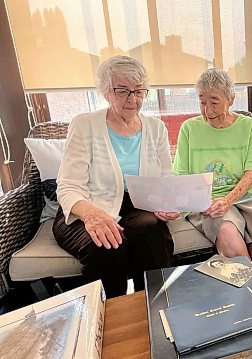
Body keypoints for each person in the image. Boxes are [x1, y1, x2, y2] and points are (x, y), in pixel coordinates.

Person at [53, 55, 179, 298]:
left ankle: (154, 307)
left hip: (137, 205)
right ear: (106, 92)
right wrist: (92, 215)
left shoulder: (156, 127)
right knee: (108, 244)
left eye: (138, 91)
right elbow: (68, 187)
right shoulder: (84, 125)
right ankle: (110, 316)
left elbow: (166, 176)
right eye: (122, 91)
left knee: (152, 232)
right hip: (85, 207)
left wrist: (169, 202)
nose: (132, 99)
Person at [173, 68, 252, 260]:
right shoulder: (189, 129)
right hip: (208, 199)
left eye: (214, 102)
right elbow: (181, 174)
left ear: (230, 99)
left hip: (251, 194)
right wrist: (201, 201)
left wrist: (228, 200)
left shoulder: (251, 126)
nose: (207, 111)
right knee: (227, 232)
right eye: (202, 102)